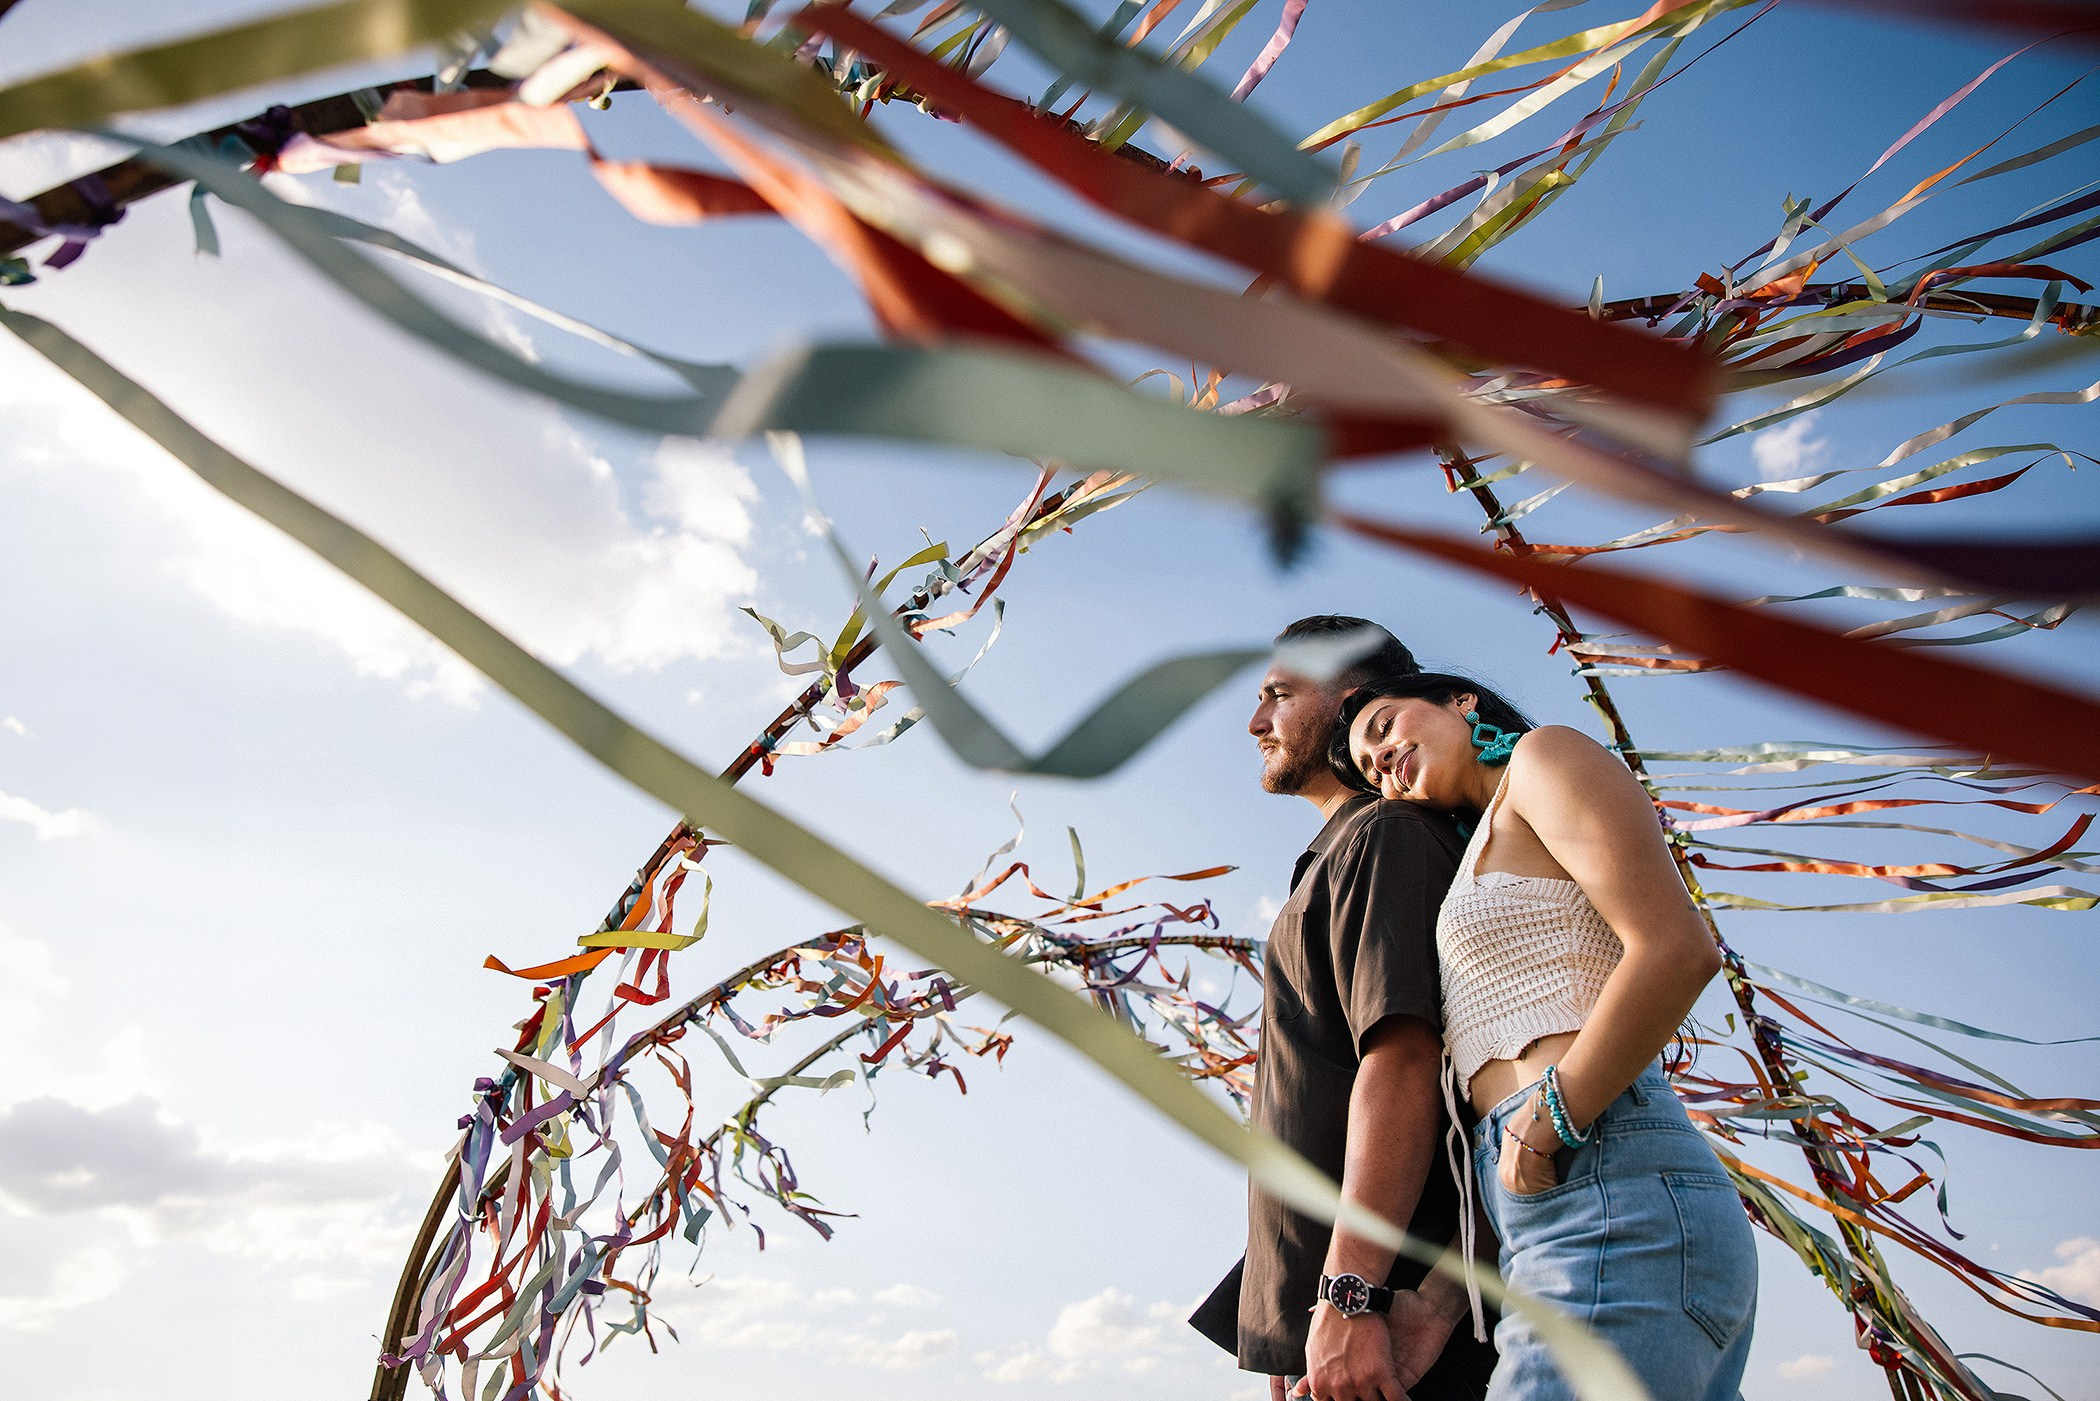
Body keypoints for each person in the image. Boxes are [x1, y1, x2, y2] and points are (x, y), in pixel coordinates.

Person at [1339, 671, 1758, 1401]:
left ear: (1461, 701)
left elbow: (1675, 947)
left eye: (1384, 727)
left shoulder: (1545, 757)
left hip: (1612, 1183)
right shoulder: (1479, 848)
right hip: (1567, 1207)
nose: (1382, 762)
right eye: (1372, 769)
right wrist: (1441, 1297)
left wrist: (1547, 1121)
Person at [1190, 617, 1497, 1401]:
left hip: (1397, 1321)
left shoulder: (1386, 834)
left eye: (1279, 695)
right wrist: (1294, 1316)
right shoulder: (1342, 852)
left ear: (1351, 699)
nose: (1256, 722)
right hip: (1336, 1325)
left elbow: (1403, 1059)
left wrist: (1351, 1296)